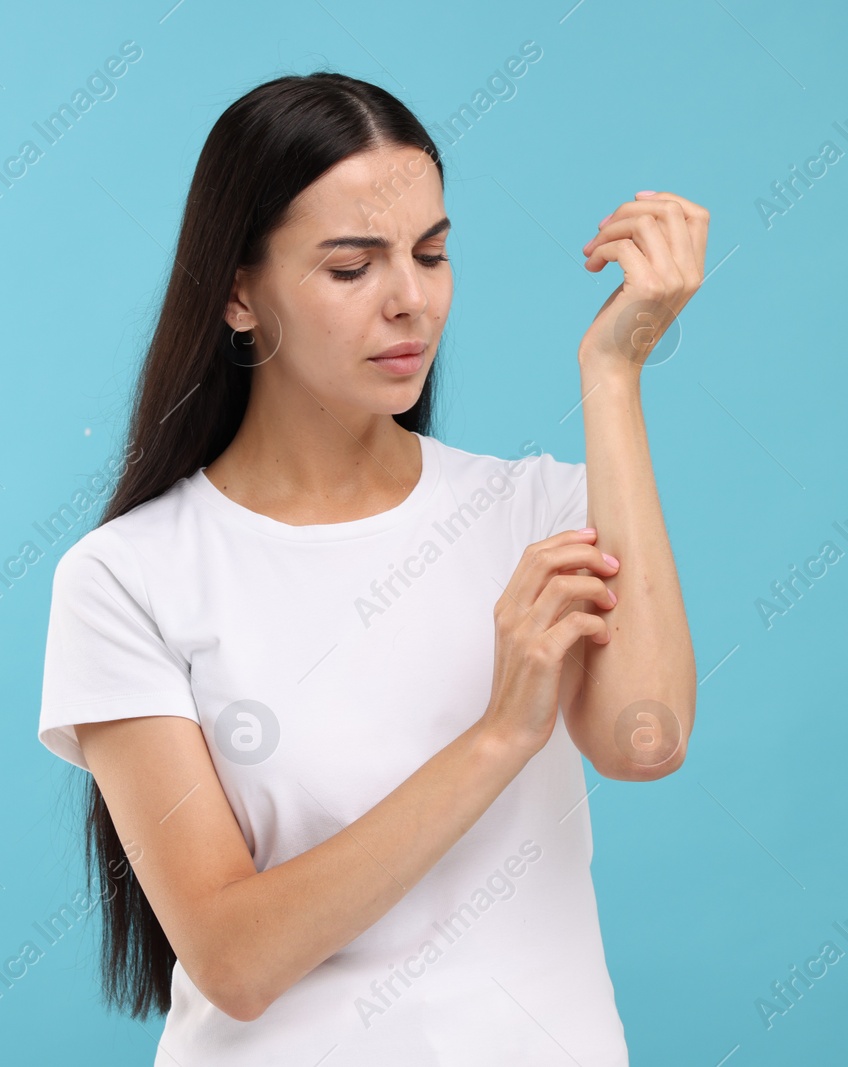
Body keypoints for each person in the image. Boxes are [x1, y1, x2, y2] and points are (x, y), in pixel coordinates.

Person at [35, 71, 702, 1065]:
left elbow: (643, 740)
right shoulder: (129, 575)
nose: (410, 302)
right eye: (351, 268)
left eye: (430, 255)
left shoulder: (535, 510)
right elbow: (235, 958)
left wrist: (612, 374)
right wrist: (497, 735)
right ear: (236, 294)